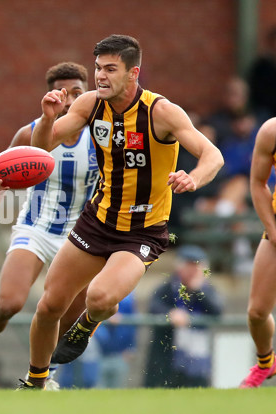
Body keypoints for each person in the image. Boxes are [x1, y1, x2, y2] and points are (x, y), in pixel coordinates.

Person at [19, 34, 224, 389]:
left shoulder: (160, 111)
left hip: (142, 232)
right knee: (49, 305)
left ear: (133, 73)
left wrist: (193, 178)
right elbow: (41, 150)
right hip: (97, 221)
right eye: (98, 68)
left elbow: (213, 156)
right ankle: (35, 382)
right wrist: (47, 119)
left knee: (99, 298)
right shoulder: (88, 105)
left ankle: (86, 324)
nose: (100, 76)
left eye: (110, 69)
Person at [0, 62, 98, 390]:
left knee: (69, 314)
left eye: (78, 94)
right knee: (8, 303)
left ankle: (42, 374)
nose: (70, 103)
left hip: (80, 237)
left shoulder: (102, 135)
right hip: (35, 228)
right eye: (63, 95)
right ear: (52, 95)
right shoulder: (30, 133)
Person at [144, 245, 223, 388]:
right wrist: (171, 314)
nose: (193, 271)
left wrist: (198, 290)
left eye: (197, 267)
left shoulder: (206, 290)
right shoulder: (167, 288)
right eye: (190, 266)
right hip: (167, 357)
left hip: (197, 358)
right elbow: (153, 308)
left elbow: (217, 310)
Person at [240, 117, 276, 388]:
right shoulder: (271, 131)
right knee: (257, 312)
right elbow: (257, 183)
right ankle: (266, 363)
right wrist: (272, 229)